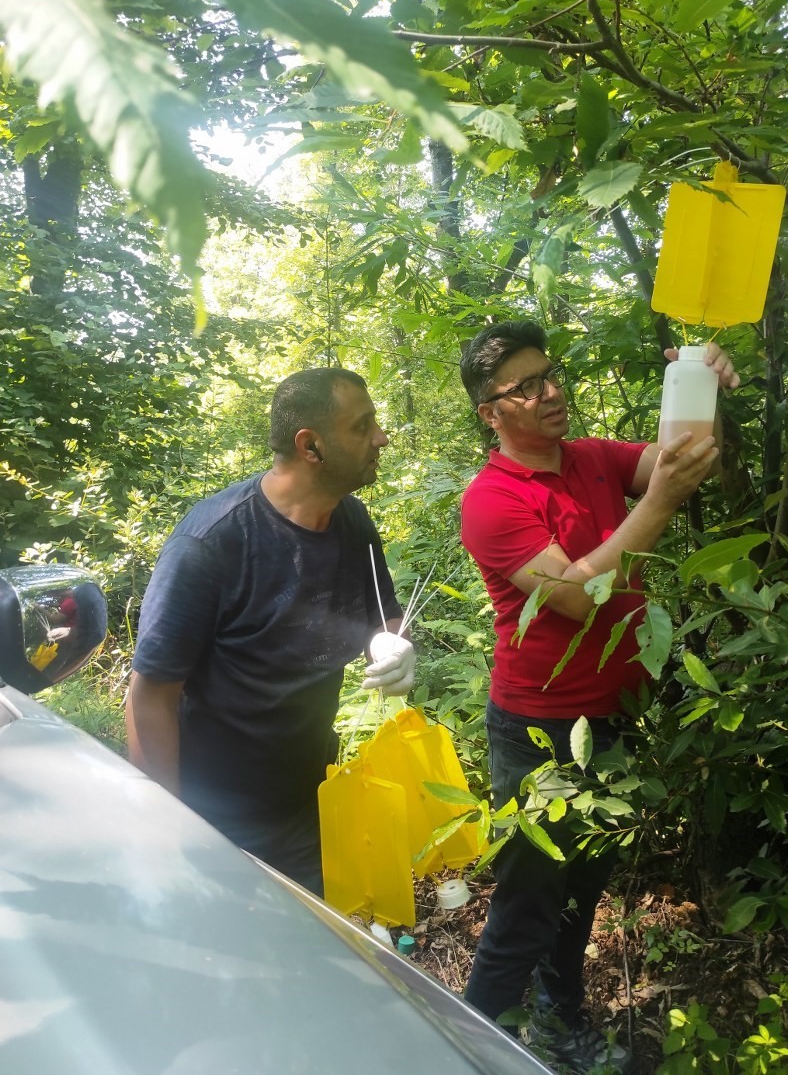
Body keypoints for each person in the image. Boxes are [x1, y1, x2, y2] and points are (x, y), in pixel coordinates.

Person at [458, 321, 739, 1075]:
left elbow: (683, 463)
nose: (551, 393)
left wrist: (700, 386)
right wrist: (660, 507)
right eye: (527, 386)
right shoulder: (491, 500)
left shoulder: (593, 459)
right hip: (537, 735)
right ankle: (462, 1047)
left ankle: (560, 1022)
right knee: (524, 908)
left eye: (551, 375)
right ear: (491, 410)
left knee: (581, 892)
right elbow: (582, 598)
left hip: (608, 720)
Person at [127, 368, 415, 896]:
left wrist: (391, 644)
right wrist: (164, 827)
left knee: (308, 957)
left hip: (310, 801)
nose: (381, 438)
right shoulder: (211, 543)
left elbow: (383, 617)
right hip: (214, 818)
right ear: (311, 445)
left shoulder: (353, 524)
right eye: (362, 425)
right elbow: (150, 697)